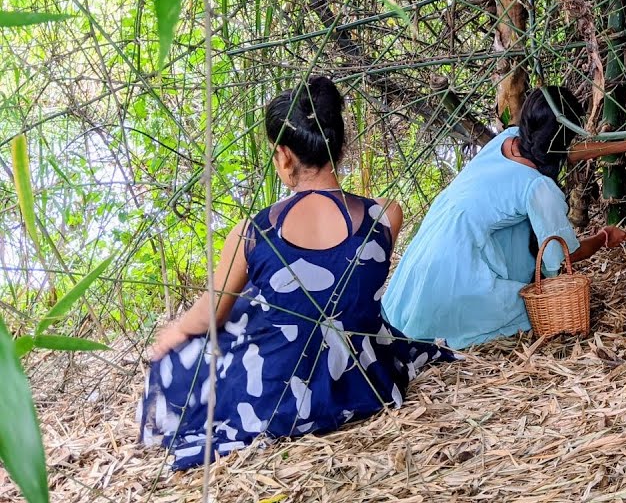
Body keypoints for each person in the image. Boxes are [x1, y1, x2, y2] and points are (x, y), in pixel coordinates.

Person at [138, 76, 455, 470]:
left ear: (284, 157)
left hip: (275, 402)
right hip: (361, 385)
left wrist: (173, 335)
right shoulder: (386, 215)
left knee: (218, 330)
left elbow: (210, 315)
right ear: (339, 145)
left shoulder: (253, 232)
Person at [381, 86, 626, 349]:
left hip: (429, 247)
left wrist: (623, 144)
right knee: (530, 311)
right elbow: (562, 254)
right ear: (564, 136)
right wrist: (603, 237)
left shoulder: (507, 140)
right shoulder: (538, 188)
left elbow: (560, 152)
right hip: (458, 268)